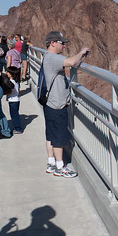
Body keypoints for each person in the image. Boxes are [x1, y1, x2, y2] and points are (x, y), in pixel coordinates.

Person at [42, 31, 89, 178]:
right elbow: (72, 62)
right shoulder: (53, 58)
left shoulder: (46, 56)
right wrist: (82, 52)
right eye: (62, 42)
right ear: (52, 43)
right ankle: (60, 167)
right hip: (57, 104)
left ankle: (51, 163)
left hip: (50, 102)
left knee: (51, 135)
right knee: (59, 138)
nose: (64, 45)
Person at [5, 66, 23, 134]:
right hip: (17, 100)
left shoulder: (10, 82)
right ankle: (16, 127)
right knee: (15, 114)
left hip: (12, 101)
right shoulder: (16, 82)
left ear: (11, 74)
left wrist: (5, 93)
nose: (6, 73)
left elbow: (10, 92)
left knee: (14, 115)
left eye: (7, 72)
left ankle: (18, 129)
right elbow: (18, 91)